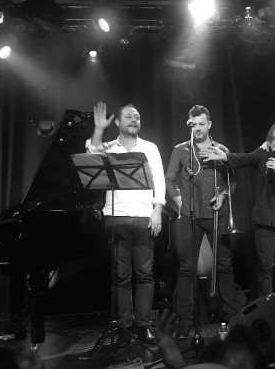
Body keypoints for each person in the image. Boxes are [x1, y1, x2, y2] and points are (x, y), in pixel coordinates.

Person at [86, 101, 166, 343]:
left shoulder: (150, 147)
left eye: (137, 117)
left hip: (144, 217)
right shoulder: (109, 147)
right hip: (116, 216)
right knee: (121, 276)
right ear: (119, 122)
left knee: (145, 274)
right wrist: (99, 129)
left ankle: (143, 325)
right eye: (129, 117)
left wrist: (157, 210)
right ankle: (123, 326)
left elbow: (159, 179)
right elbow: (91, 156)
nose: (134, 120)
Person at [165, 105, 246, 339]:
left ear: (209, 124)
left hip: (217, 215)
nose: (198, 128)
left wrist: (222, 195)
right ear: (188, 125)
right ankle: (185, 320)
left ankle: (232, 317)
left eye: (202, 124)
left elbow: (232, 181)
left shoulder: (221, 150)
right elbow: (169, 180)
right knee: (187, 268)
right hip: (189, 216)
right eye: (194, 124)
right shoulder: (180, 150)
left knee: (224, 265)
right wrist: (179, 202)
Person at [201, 122, 275, 297]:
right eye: (273, 139)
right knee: (264, 267)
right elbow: (244, 158)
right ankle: (268, 305)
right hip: (264, 221)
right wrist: (225, 157)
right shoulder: (262, 153)